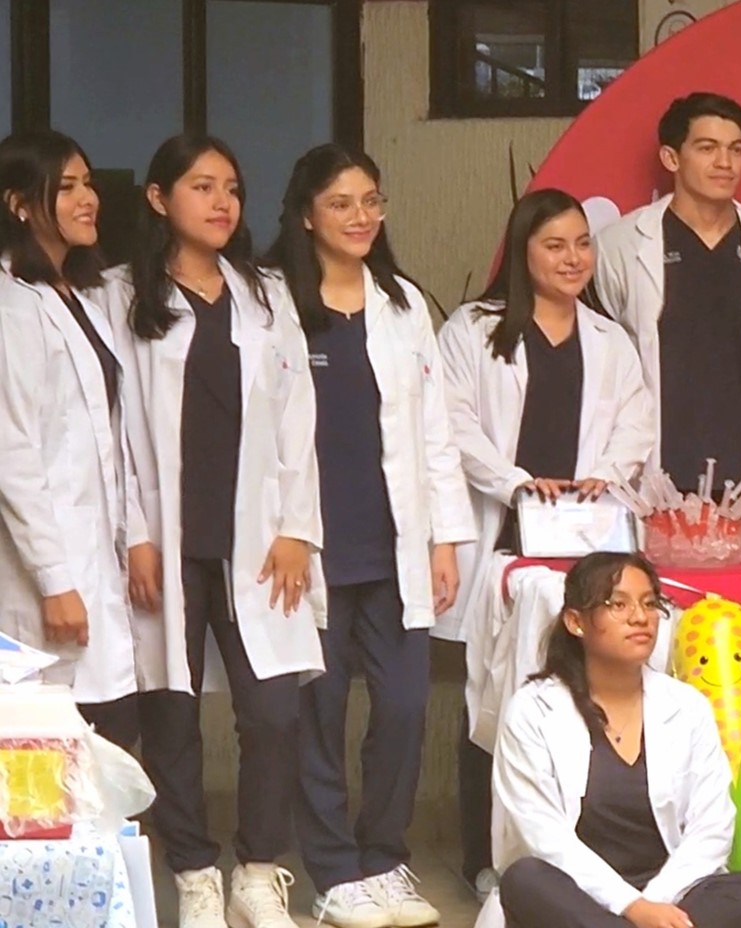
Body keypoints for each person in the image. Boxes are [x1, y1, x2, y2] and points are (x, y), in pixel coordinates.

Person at [94, 134, 323, 928]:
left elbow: (298, 416)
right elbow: (112, 430)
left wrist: (297, 528)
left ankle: (257, 872)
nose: (223, 202)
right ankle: (193, 872)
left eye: (231, 187)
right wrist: (134, 534)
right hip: (166, 539)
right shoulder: (119, 294)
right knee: (170, 713)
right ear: (159, 199)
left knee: (273, 714)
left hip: (257, 541)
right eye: (202, 186)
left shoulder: (265, 293)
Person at [262, 143, 474, 928]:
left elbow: (435, 431)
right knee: (316, 716)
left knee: (405, 708)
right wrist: (280, 529)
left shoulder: (402, 302)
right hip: (310, 546)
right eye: (341, 202)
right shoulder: (272, 301)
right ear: (306, 213)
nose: (360, 217)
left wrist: (444, 538)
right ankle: (333, 873)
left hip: (395, 548)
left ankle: (383, 857)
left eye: (371, 200)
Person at [438, 187, 654, 899]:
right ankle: (487, 858)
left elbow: (636, 424)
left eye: (582, 244)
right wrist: (518, 484)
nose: (572, 258)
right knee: (497, 700)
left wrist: (604, 476)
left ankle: (581, 859)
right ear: (522, 251)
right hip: (502, 544)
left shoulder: (609, 339)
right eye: (554, 244)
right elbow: (452, 422)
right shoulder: (474, 329)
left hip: (584, 548)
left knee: (583, 697)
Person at [489, 552, 741, 928]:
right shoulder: (533, 709)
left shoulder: (687, 705)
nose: (640, 617)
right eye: (618, 604)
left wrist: (653, 905)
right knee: (525, 879)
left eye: (649, 603)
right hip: (579, 897)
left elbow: (713, 825)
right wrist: (632, 907)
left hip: (670, 895)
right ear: (576, 622)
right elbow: (544, 835)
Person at [0, 131, 147, 743]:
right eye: (66, 188)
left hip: (96, 555)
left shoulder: (83, 295)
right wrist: (55, 580)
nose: (89, 198)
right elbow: (12, 453)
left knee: (108, 734)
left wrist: (135, 537)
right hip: (42, 571)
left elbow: (110, 436)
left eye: (88, 183)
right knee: (48, 749)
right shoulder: (10, 304)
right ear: (18, 205)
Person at [593, 92, 741, 494]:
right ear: (671, 158)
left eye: (736, 149)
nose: (725, 162)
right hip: (652, 474)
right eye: (707, 148)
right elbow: (603, 366)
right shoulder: (619, 246)